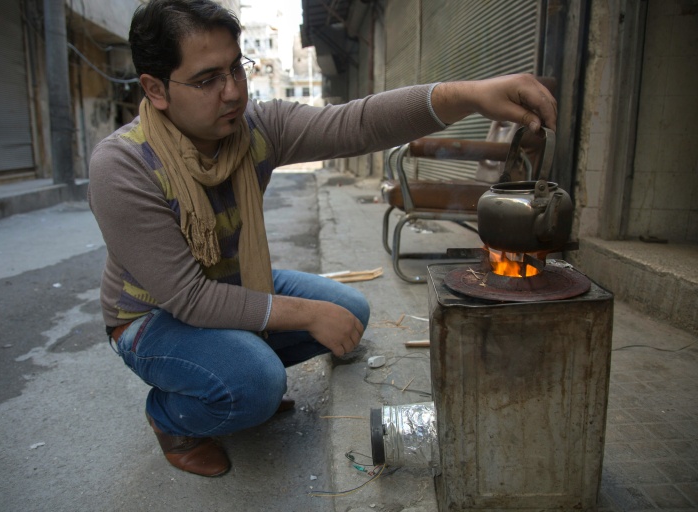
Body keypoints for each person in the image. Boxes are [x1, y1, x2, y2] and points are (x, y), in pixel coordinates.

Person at [88, 0, 557, 478]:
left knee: (350, 311)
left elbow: (357, 123)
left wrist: (471, 96)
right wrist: (308, 314)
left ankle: (233, 367)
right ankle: (172, 417)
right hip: (153, 316)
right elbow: (188, 297)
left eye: (236, 69)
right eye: (207, 80)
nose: (232, 92)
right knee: (257, 382)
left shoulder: (255, 130)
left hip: (231, 286)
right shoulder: (122, 167)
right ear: (155, 89)